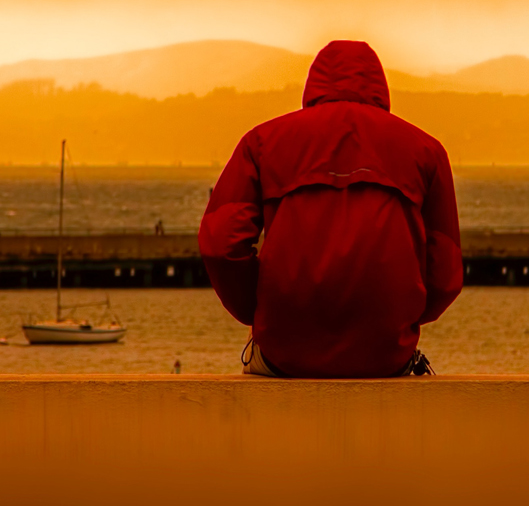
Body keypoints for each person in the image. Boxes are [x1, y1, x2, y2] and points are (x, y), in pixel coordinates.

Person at [198, 40, 461, 378]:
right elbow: (446, 271)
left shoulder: (261, 142)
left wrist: (260, 311)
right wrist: (399, 318)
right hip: (385, 355)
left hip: (284, 353)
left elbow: (220, 245)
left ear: (313, 85)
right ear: (380, 87)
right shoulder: (426, 151)